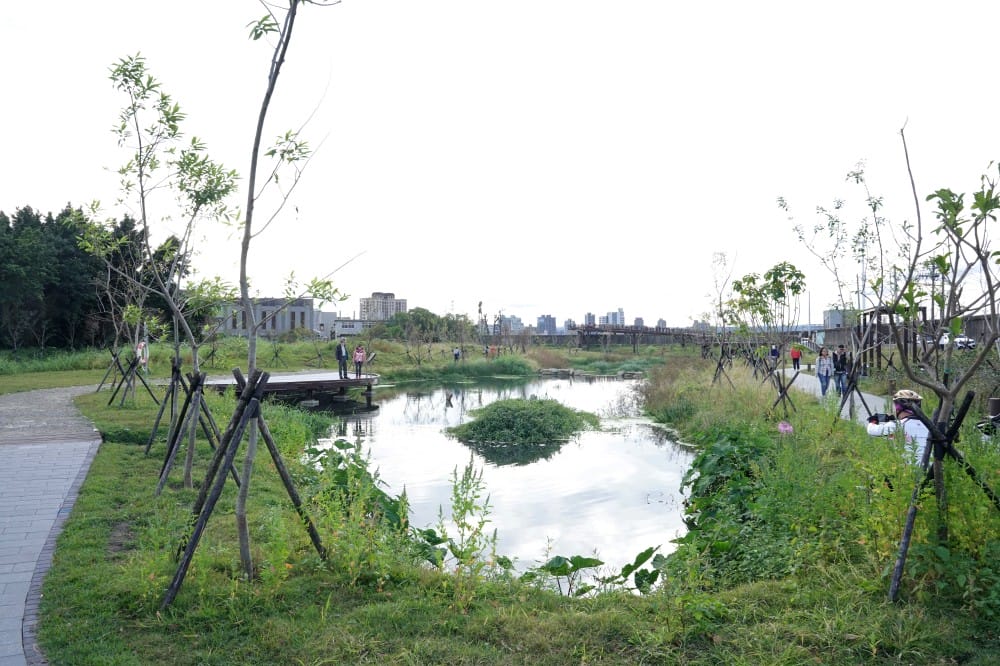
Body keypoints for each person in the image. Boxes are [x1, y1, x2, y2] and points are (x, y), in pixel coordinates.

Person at [867, 389, 930, 464]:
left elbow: (871, 430)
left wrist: (873, 420)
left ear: (898, 408)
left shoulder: (897, 425)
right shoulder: (929, 425)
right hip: (930, 469)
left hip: (909, 469)